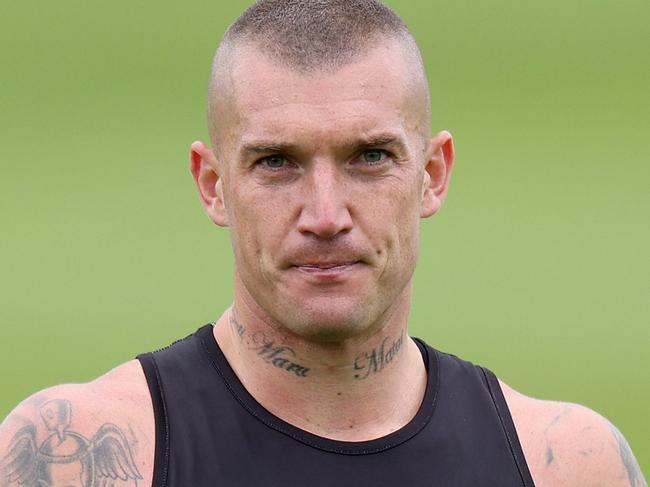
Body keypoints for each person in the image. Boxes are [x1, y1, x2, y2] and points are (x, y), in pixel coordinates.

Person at [0, 1, 646, 486]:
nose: (326, 213)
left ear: (432, 173)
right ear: (213, 184)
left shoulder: (566, 463)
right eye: (277, 161)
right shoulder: (80, 452)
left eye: (369, 155)